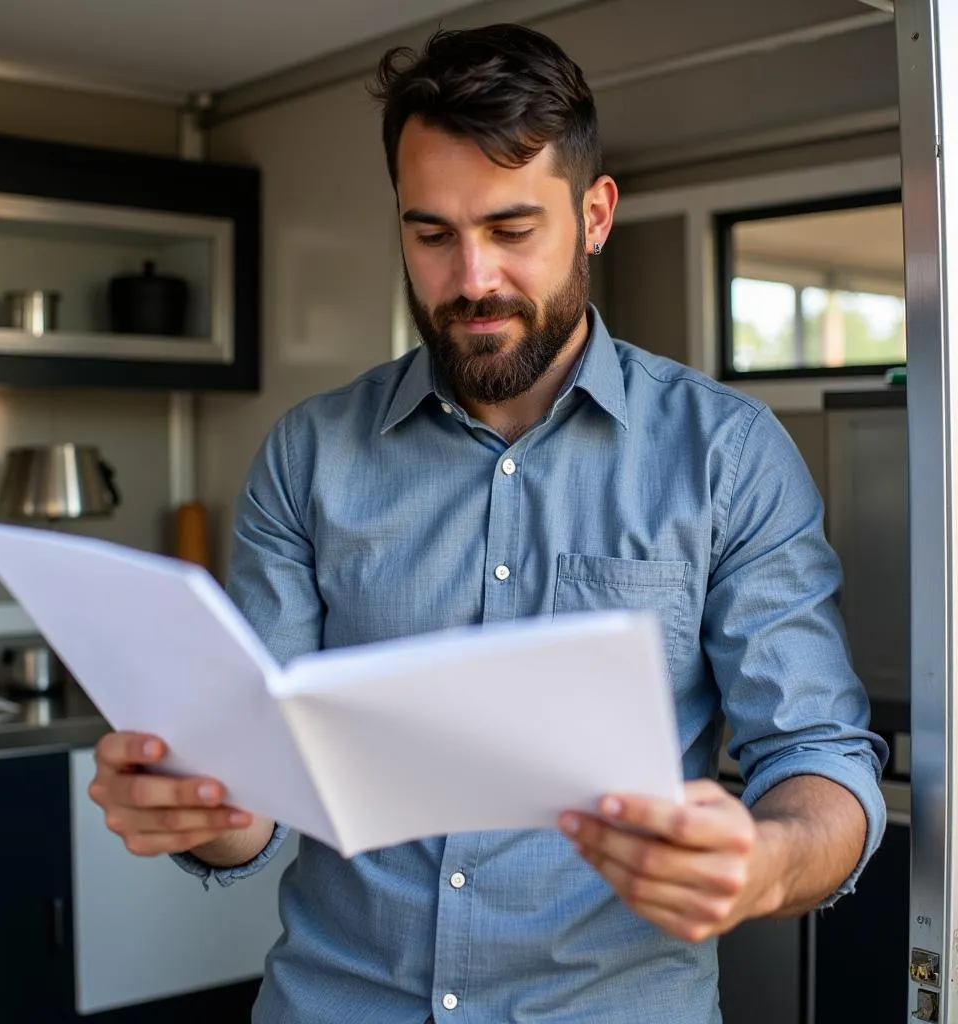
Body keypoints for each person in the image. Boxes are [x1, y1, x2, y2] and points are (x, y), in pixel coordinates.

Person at [88, 23, 888, 1024]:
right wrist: (199, 810)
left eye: (512, 230)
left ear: (594, 215)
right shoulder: (308, 456)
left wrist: (765, 862)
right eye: (431, 234)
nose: (470, 278)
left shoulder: (727, 455)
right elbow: (253, 790)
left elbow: (818, 756)